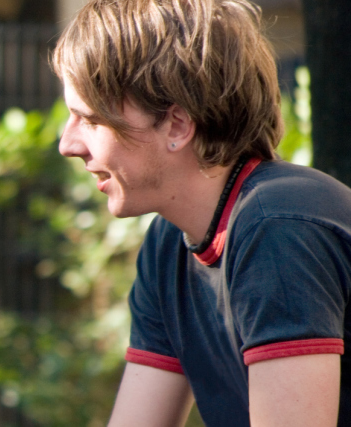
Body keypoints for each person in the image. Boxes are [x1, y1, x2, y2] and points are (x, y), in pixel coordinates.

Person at [51, 0, 351, 425]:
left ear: (176, 125)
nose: (68, 145)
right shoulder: (169, 242)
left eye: (90, 120)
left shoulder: (278, 226)